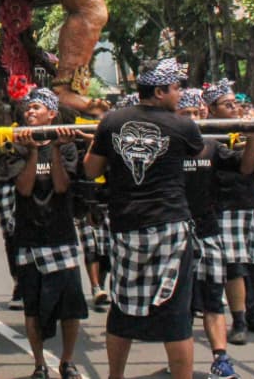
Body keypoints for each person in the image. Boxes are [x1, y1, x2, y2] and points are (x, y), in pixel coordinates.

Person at [83, 59, 203, 379]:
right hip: (170, 225)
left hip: (127, 227)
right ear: (160, 90)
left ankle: (115, 377)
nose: (179, 94)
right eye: (176, 88)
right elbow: (195, 152)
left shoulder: (111, 121)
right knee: (177, 316)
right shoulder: (184, 127)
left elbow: (91, 170)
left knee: (122, 309)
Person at [6, 89, 86, 379]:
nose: (30, 112)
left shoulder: (65, 146)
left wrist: (53, 147)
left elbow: (62, 186)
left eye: (36, 107)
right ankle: (40, 364)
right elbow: (25, 189)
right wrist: (34, 151)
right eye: (28, 108)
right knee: (32, 307)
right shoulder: (18, 144)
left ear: (52, 114)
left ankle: (67, 361)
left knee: (71, 306)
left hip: (61, 233)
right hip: (29, 234)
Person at [176, 89, 246, 379]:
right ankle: (180, 357)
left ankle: (220, 357)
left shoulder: (214, 146)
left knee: (213, 300)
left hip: (208, 231)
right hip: (175, 233)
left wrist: (253, 137)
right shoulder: (165, 146)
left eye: (196, 112)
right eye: (185, 114)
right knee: (180, 304)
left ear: (204, 113)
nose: (192, 118)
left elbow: (247, 168)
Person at [207, 83, 254, 344]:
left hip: (252, 201)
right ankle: (239, 318)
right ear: (212, 110)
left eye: (236, 103)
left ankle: (253, 313)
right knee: (234, 265)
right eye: (228, 104)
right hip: (224, 204)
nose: (235, 108)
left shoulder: (245, 131)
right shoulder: (209, 134)